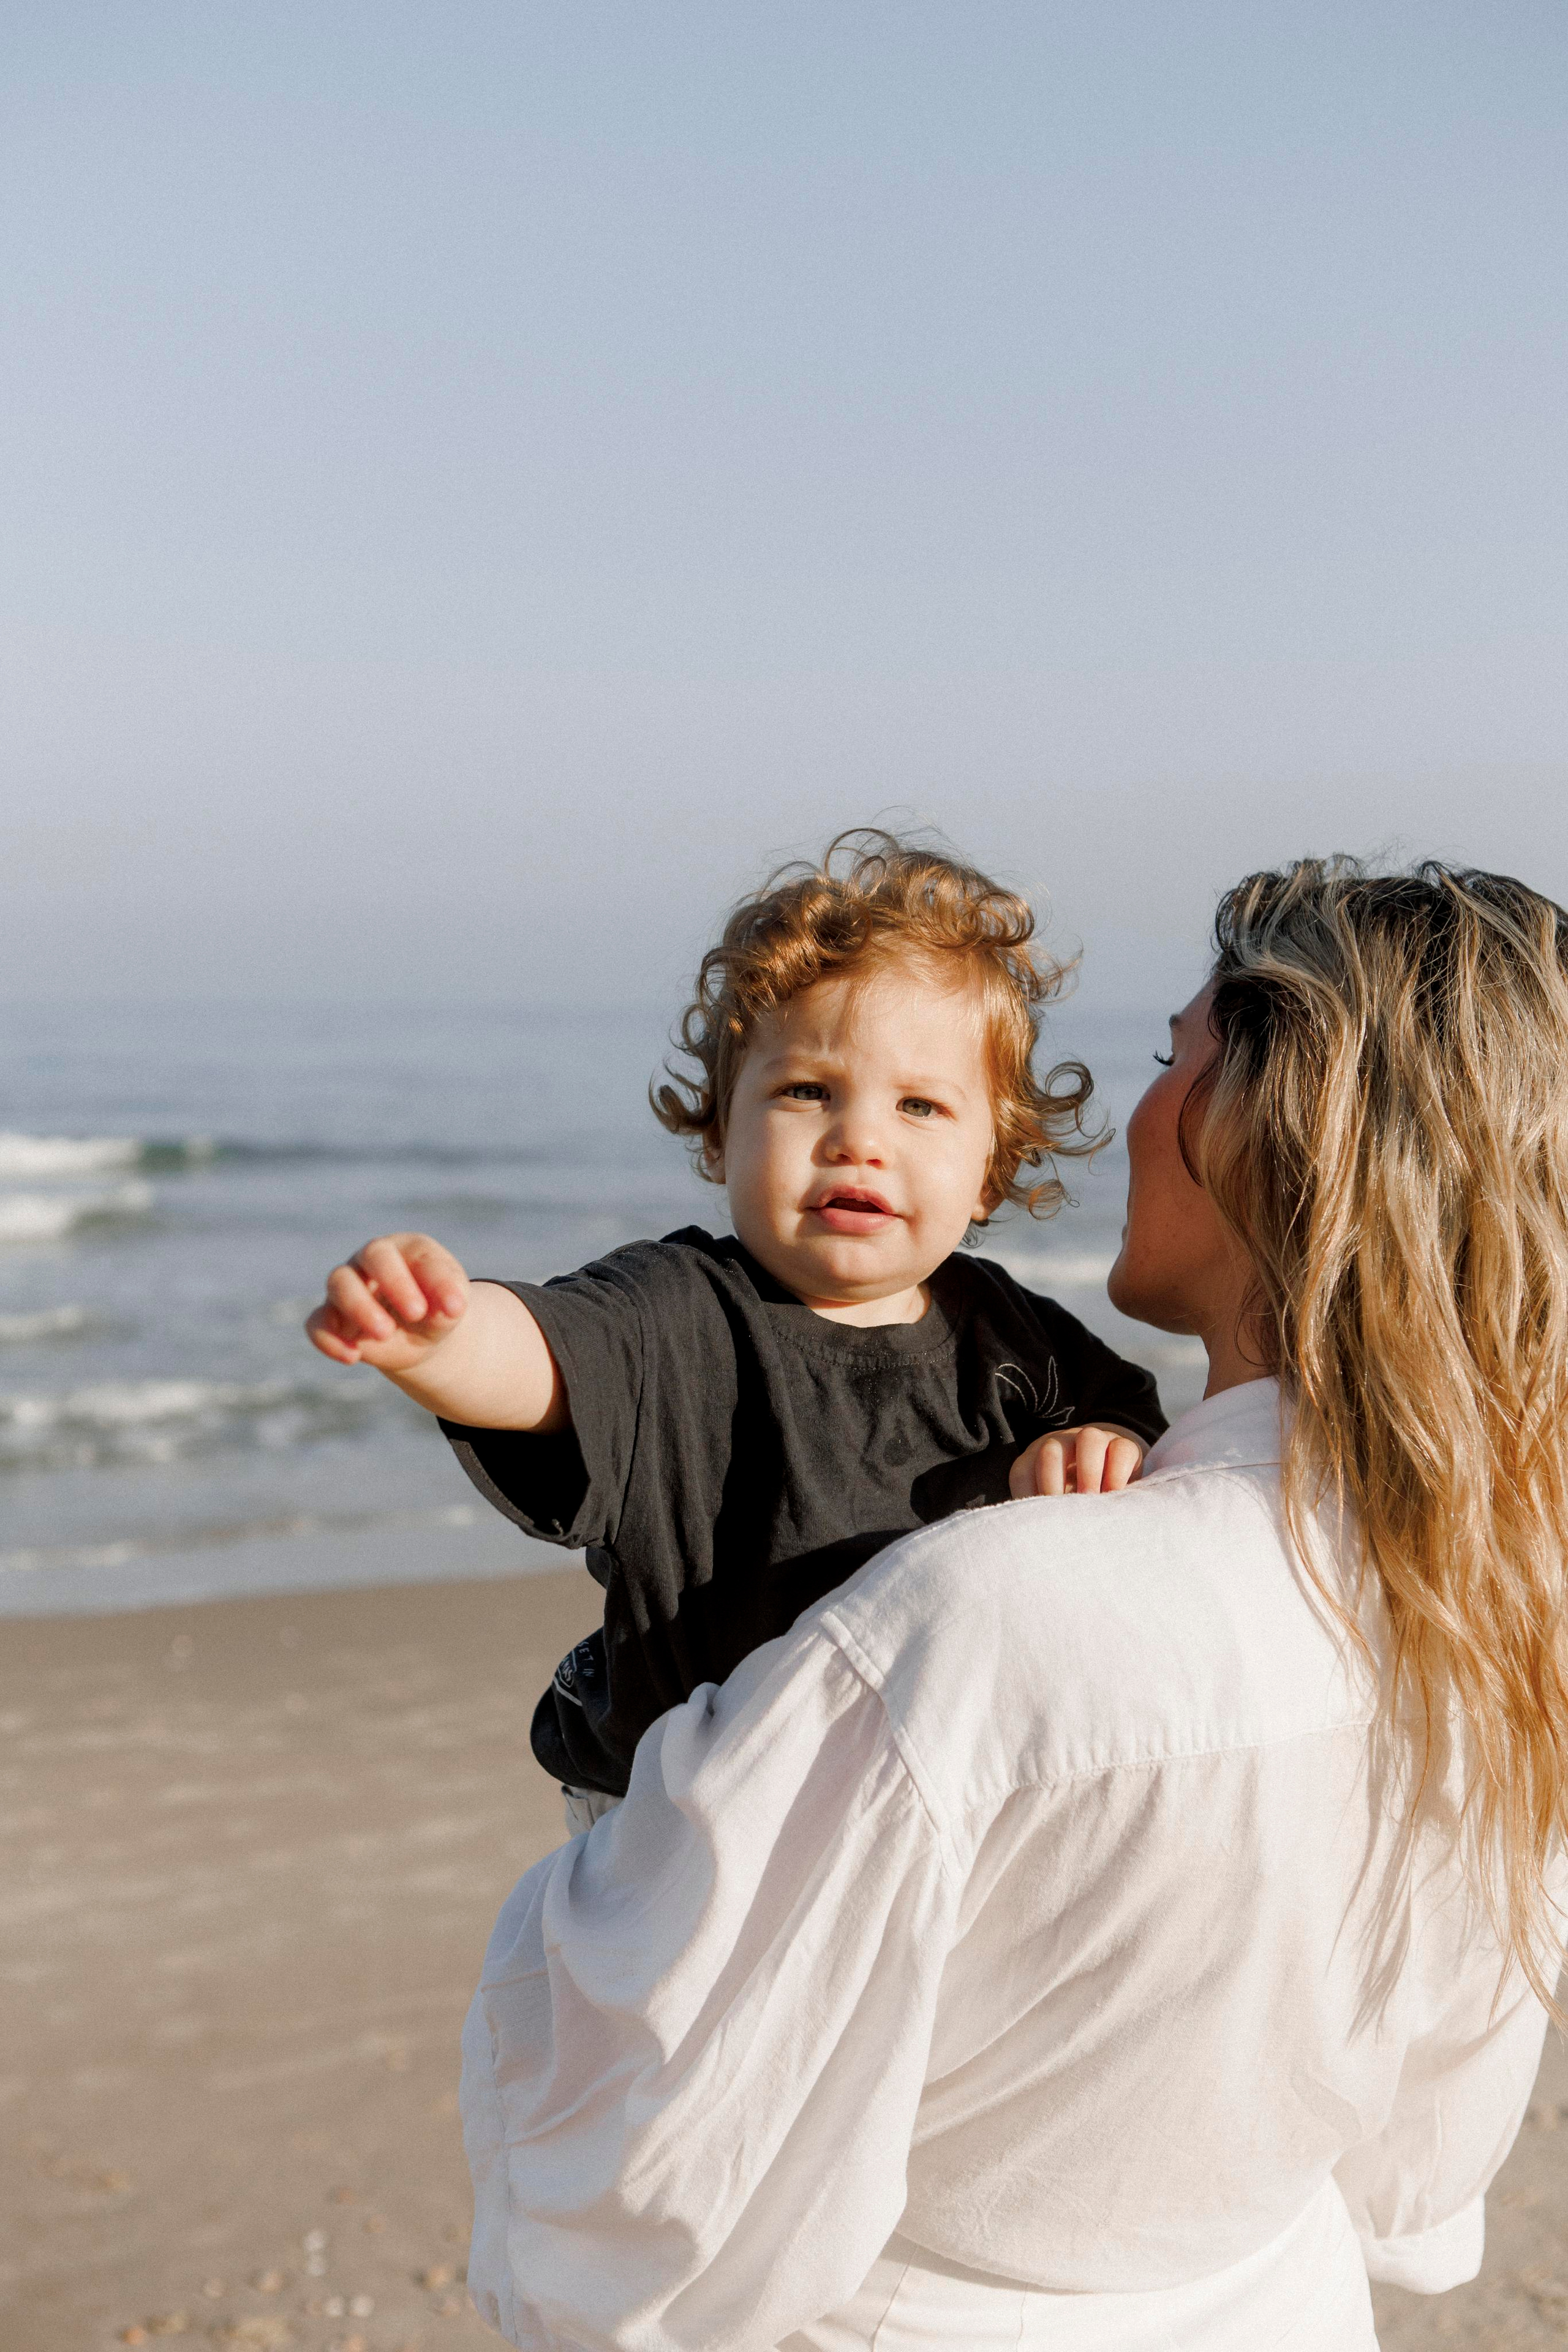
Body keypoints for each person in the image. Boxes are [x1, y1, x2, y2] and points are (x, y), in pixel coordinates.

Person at [459, 858, 1568, 2351]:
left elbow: (644, 2104)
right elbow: (1416, 2171)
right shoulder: (1500, 1614)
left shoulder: (974, 1619)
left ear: (1269, 1123)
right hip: (1273, 2301)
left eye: (1172, 1059)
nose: (1136, 1108)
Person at [305, 831, 1163, 1814]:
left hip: (919, 1801)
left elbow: (1134, 1431)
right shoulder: (678, 1312)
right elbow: (547, 1358)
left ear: (990, 1171)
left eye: (921, 1107)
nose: (859, 1139)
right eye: (807, 1092)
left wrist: (1100, 1445)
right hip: (690, 1817)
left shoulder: (1015, 1341)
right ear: (720, 1132)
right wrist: (444, 1335)